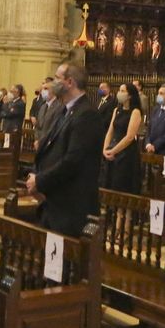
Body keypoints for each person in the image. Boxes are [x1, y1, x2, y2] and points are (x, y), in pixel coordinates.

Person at [23, 62, 104, 235]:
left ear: (70, 82)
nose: (53, 82)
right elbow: (50, 147)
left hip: (71, 207)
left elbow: (73, 161)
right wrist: (36, 174)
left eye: (58, 78)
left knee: (65, 260)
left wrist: (41, 180)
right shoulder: (65, 110)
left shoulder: (87, 114)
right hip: (54, 203)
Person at [101, 80, 144, 193]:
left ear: (130, 95)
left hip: (126, 152)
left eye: (122, 91)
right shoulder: (117, 110)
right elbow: (110, 131)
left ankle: (125, 211)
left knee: (123, 184)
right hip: (113, 148)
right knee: (111, 182)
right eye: (119, 90)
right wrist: (105, 149)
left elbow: (130, 136)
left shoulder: (135, 112)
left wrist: (114, 151)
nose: (119, 93)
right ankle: (112, 209)